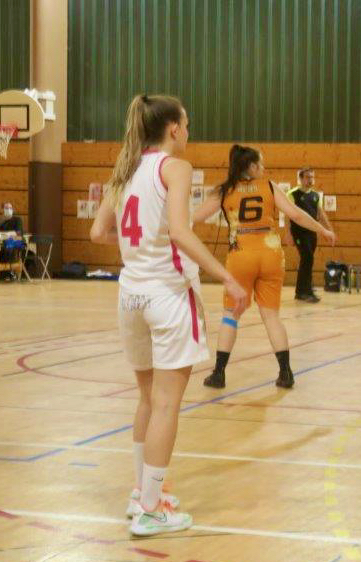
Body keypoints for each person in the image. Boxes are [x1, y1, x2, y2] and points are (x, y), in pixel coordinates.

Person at [90, 94, 248, 536]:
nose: (189, 131)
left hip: (130, 297)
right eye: (187, 124)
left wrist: (140, 242)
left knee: (147, 400)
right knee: (165, 405)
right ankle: (151, 509)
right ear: (173, 128)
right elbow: (179, 232)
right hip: (167, 296)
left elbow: (98, 232)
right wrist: (227, 278)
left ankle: (140, 493)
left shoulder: (124, 169)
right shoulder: (174, 168)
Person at [192, 145, 335, 391]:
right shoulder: (269, 186)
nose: (263, 167)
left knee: (231, 315)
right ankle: (286, 372)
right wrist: (322, 229)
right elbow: (297, 215)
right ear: (251, 166)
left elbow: (194, 218)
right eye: (260, 163)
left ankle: (219, 373)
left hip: (241, 255)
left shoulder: (225, 190)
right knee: (271, 317)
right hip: (271, 254)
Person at [286, 167, 333, 303]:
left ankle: (305, 289)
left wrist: (329, 230)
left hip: (312, 233)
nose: (310, 180)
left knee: (308, 260)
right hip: (299, 232)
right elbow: (288, 215)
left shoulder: (315, 196)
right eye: (307, 177)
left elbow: (320, 214)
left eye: (312, 177)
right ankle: (303, 292)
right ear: (301, 179)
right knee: (307, 258)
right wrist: (288, 233)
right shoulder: (292, 194)